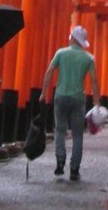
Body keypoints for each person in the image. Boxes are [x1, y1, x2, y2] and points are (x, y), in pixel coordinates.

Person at [41, 24, 100, 181]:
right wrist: (97, 102)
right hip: (78, 98)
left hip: (61, 96)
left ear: (72, 38)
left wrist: (43, 92)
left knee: (60, 130)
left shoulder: (61, 53)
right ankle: (74, 169)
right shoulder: (89, 58)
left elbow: (49, 71)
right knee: (78, 134)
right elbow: (94, 81)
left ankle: (60, 163)